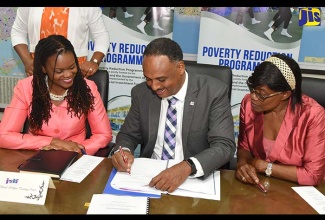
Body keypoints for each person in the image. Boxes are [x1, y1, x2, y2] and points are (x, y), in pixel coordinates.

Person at [111, 37, 236, 193]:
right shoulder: (141, 93)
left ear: (180, 67)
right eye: (148, 79)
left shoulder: (213, 92)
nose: (155, 86)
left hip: (193, 179)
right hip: (150, 178)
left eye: (161, 79)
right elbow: (128, 134)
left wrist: (187, 167)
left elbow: (224, 145)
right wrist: (122, 151)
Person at [0, 34, 112, 156]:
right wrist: (53, 142)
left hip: (76, 158)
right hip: (35, 157)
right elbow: (4, 135)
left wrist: (80, 150)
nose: (68, 75)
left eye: (72, 67)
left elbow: (103, 134)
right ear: (43, 68)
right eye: (59, 71)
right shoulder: (26, 87)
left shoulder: (87, 87)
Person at [236, 54, 325, 187]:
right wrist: (242, 164)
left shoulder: (313, 115)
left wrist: (263, 166)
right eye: (252, 89)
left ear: (285, 94)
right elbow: (244, 147)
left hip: (298, 192)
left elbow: (312, 175)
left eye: (262, 94)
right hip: (258, 185)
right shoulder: (248, 104)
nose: (253, 97)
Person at [11, 7, 109, 78]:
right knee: (39, 105)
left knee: (73, 105)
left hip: (73, 73)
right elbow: (17, 32)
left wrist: (94, 61)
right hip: (39, 70)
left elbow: (101, 36)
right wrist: (27, 61)